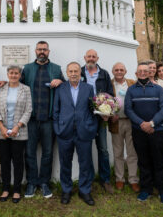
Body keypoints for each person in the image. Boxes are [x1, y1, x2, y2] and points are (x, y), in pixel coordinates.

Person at [19, 41, 64, 198]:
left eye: (45, 49)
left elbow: (65, 89)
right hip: (30, 118)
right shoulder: (28, 68)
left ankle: (44, 182)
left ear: (49, 51)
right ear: (35, 51)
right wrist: (4, 83)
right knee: (30, 152)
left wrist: (61, 81)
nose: (42, 52)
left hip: (49, 119)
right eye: (39, 49)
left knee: (48, 152)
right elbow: (18, 86)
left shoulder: (57, 69)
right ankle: (31, 182)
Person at [124, 61, 163, 205]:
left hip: (157, 131)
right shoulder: (131, 90)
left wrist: (152, 123)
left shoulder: (158, 89)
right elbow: (128, 109)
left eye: (146, 71)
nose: (143, 73)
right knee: (144, 161)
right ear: (136, 74)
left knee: (159, 162)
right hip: (139, 131)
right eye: (140, 71)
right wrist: (141, 124)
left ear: (150, 73)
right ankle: (146, 189)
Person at [54, 62, 98, 206]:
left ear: (80, 73)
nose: (73, 73)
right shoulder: (61, 88)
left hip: (84, 132)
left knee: (85, 163)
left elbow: (93, 110)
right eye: (71, 71)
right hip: (64, 132)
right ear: (67, 73)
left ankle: (84, 190)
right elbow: (56, 110)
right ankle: (66, 190)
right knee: (65, 163)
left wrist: (91, 127)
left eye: (76, 71)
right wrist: (57, 128)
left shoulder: (88, 88)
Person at [0, 65, 32, 203]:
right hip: (1, 131)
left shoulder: (26, 89)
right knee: (5, 161)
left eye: (16, 73)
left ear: (20, 75)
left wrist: (17, 126)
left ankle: (16, 190)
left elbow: (28, 110)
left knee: (18, 161)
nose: (14, 75)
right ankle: (5, 189)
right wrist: (2, 127)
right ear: (7, 74)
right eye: (11, 73)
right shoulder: (1, 88)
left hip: (19, 132)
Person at [80, 49, 114, 194]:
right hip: (84, 116)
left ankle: (105, 179)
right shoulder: (79, 72)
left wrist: (107, 112)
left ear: (97, 58)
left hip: (101, 116)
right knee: (86, 149)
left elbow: (110, 94)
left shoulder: (104, 73)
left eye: (94, 56)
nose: (91, 58)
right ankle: (88, 179)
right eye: (89, 56)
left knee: (103, 149)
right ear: (85, 57)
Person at [109, 62, 139, 192]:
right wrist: (110, 115)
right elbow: (103, 102)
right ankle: (119, 179)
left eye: (121, 69)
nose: (119, 72)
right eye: (116, 70)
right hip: (116, 122)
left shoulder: (132, 83)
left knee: (132, 152)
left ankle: (133, 179)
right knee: (118, 152)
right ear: (113, 71)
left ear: (125, 71)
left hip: (131, 122)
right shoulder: (109, 84)